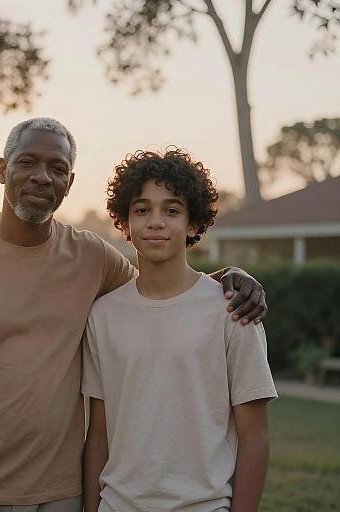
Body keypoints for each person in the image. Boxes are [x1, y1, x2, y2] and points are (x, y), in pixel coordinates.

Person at [0, 118, 268, 512]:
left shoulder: (92, 258)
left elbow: (162, 294)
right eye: (27, 163)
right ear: (3, 169)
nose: (42, 177)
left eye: (57, 168)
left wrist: (229, 279)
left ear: (69, 183)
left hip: (63, 493)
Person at [82, 147, 278, 512]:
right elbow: (99, 435)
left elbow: (255, 438)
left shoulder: (232, 310)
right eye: (142, 210)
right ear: (124, 223)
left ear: (192, 224)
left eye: (171, 210)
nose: (156, 221)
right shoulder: (103, 315)